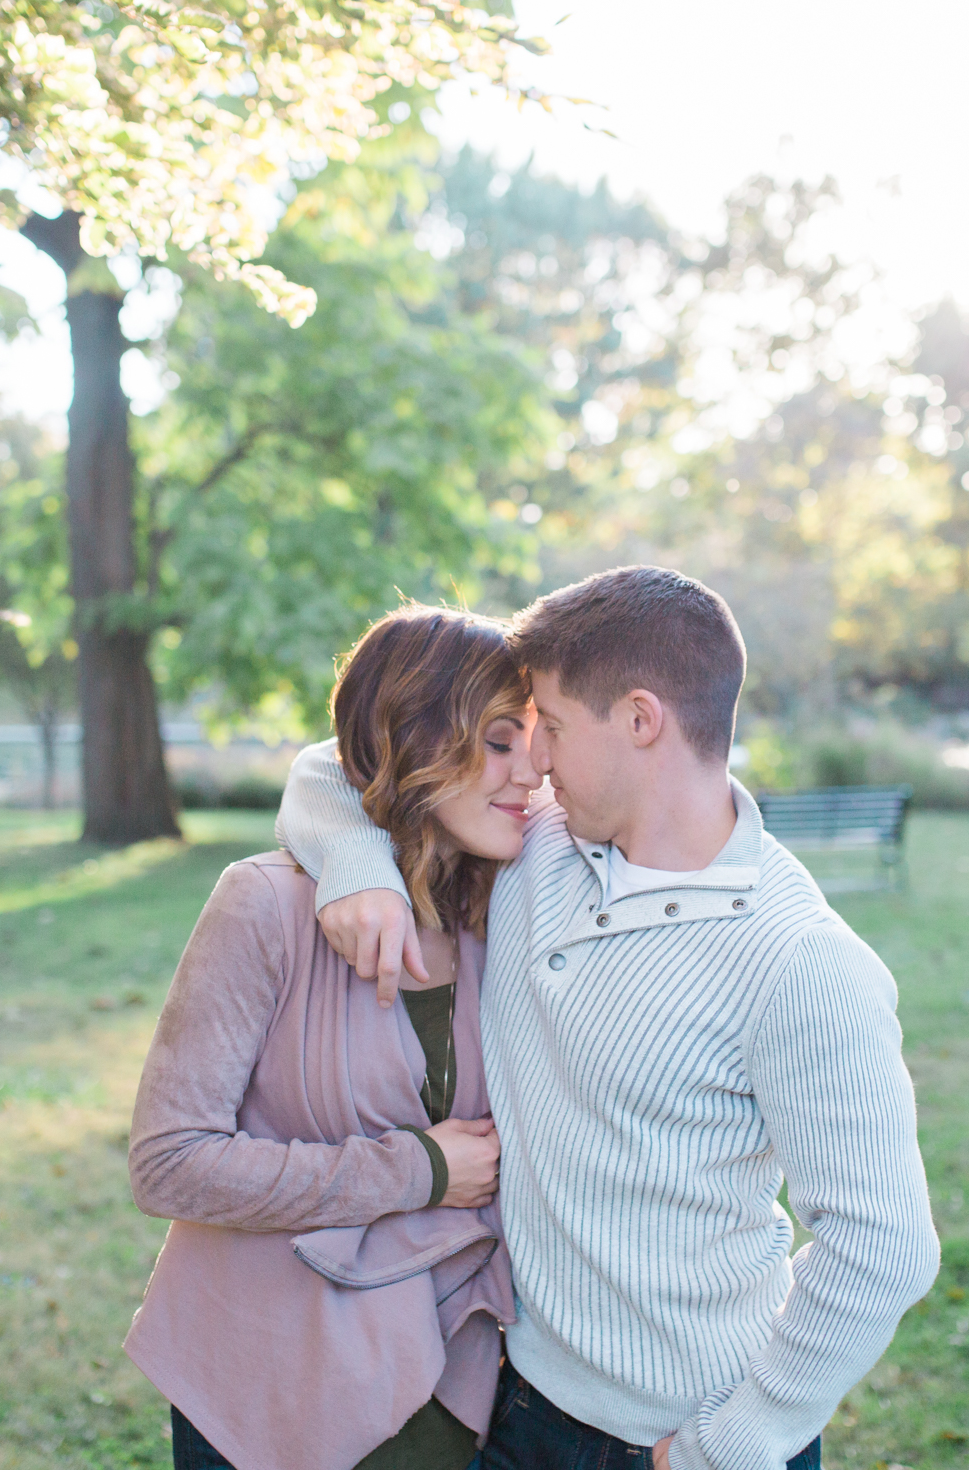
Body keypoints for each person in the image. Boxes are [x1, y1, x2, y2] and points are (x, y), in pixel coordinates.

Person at [275, 565, 940, 1470]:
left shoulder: (799, 962)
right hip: (516, 1400)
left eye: (547, 723)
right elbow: (348, 759)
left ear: (639, 719)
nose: (533, 759)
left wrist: (724, 1446)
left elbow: (885, 1247)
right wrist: (355, 860)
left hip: (686, 1436)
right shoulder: (538, 841)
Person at [124, 604, 544, 1470]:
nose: (530, 772)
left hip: (450, 1378)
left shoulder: (512, 904)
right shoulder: (264, 906)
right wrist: (418, 1170)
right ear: (417, 740)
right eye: (501, 741)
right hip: (264, 1376)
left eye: (537, 743)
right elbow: (169, 1162)